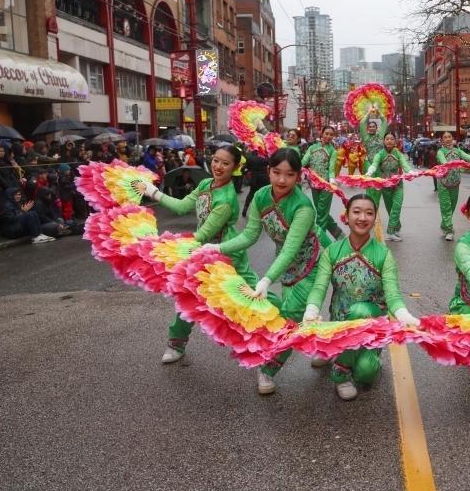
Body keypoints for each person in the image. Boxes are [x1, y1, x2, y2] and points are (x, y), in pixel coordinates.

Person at [213, 148, 328, 395]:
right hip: (285, 268)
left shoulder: (303, 207)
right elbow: (249, 235)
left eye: (289, 174)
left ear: (298, 176)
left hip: (312, 263)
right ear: (269, 171)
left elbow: (290, 249)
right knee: (295, 315)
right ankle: (321, 344)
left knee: (290, 315)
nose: (281, 180)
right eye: (276, 172)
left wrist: (265, 280)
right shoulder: (262, 196)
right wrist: (217, 247)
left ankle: (267, 368)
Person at [135, 145, 260, 364]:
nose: (218, 166)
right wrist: (152, 191)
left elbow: (203, 234)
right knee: (188, 296)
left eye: (225, 163)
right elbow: (183, 206)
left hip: (227, 255)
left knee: (252, 298)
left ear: (235, 167)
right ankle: (177, 343)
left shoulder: (227, 198)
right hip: (202, 253)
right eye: (215, 160)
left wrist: (168, 247)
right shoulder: (204, 184)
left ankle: (267, 344)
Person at [303, 194, 419, 400]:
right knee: (352, 318)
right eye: (356, 211)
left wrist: (404, 315)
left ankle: (347, 359)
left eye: (369, 213)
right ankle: (338, 361)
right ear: (346, 216)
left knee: (366, 373)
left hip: (371, 324)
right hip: (340, 323)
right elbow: (319, 286)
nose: (362, 217)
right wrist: (311, 311)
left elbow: (392, 294)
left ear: (375, 219)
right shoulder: (332, 251)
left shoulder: (383, 254)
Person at [365, 132, 414, 242]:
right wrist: (371, 169)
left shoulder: (398, 154)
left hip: (397, 185)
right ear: (384, 141)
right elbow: (375, 163)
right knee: (390, 208)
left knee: (397, 205)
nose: (389, 141)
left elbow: (404, 164)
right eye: (387, 139)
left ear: (395, 141)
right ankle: (396, 227)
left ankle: (390, 231)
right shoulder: (380, 154)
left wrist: (410, 171)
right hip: (385, 185)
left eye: (392, 139)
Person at [434, 131, 470, 241]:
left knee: (452, 207)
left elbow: (467, 157)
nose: (447, 139)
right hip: (443, 183)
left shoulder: (457, 151)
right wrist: (447, 163)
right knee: (446, 207)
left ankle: (444, 225)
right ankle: (449, 230)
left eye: (449, 137)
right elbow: (443, 161)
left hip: (455, 183)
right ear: (442, 140)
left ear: (452, 138)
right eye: (445, 137)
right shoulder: (440, 152)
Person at [301, 126, 343, 240]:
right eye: (327, 133)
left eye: (331, 134)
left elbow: (331, 169)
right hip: (313, 184)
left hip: (326, 185)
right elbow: (304, 161)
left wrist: (332, 181)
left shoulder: (333, 151)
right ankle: (338, 233)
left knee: (321, 214)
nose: (328, 136)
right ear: (322, 134)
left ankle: (320, 239)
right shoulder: (312, 147)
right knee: (321, 212)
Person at [242, 148, 269, 218]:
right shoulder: (266, 157)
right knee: (263, 194)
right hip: (264, 179)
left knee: (251, 193)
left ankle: (245, 208)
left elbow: (244, 168)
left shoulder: (250, 157)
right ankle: (260, 212)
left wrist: (246, 173)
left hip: (254, 179)